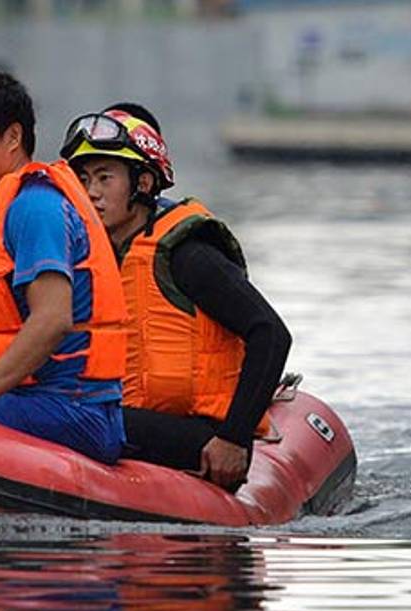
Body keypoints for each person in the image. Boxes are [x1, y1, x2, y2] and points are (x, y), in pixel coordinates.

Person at [60, 102, 292, 490]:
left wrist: (234, 438)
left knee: (74, 419)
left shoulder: (187, 255)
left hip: (201, 432)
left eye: (104, 178)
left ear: (142, 184)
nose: (90, 192)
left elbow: (270, 333)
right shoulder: (94, 256)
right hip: (132, 417)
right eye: (82, 179)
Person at [0, 69, 128, 464]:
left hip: (73, 409)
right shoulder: (4, 205)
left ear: (13, 137)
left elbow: (52, 319)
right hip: (37, 399)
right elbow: (1, 330)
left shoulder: (34, 206)